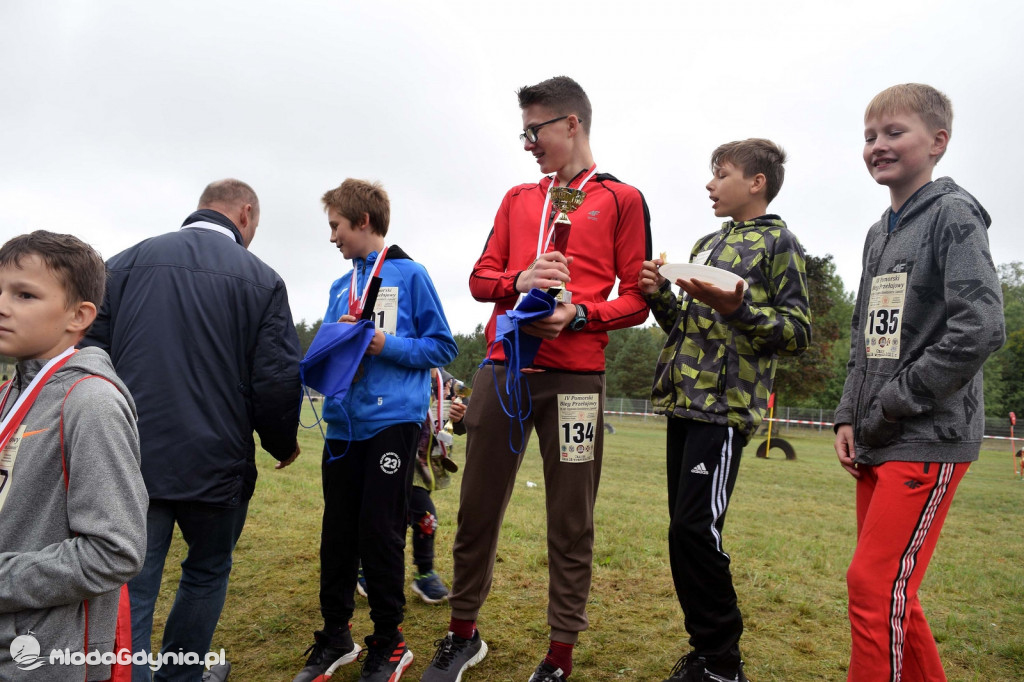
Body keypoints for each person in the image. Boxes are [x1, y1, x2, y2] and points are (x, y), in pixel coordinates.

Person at [420, 75, 651, 682]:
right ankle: (463, 635)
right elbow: (478, 280)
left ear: (571, 124)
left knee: (571, 520)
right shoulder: (519, 197)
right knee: (476, 510)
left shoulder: (623, 199)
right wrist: (519, 280)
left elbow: (636, 301)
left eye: (535, 130)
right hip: (504, 372)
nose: (527, 143)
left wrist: (579, 314)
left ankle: (559, 658)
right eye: (522, 132)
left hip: (577, 383)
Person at [83, 179, 303, 682]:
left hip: (131, 454)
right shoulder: (262, 279)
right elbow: (276, 377)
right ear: (244, 214)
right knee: (205, 573)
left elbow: (90, 355)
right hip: (218, 462)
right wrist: (281, 442)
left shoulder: (123, 263)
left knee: (131, 584)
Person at [833, 83, 1004, 681]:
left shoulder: (954, 215)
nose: (877, 145)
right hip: (877, 434)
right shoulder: (880, 231)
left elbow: (981, 327)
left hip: (927, 434)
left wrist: (895, 402)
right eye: (869, 136)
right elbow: (865, 335)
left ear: (938, 143)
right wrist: (849, 415)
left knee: (872, 586)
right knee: (892, 596)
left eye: (893, 132)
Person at [640, 138, 811, 682]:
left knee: (697, 530)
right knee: (680, 532)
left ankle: (723, 663)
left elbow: (795, 334)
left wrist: (740, 309)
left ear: (756, 182)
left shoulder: (779, 242)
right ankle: (706, 652)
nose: (710, 184)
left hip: (725, 410)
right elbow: (689, 329)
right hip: (683, 406)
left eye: (722, 174)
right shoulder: (706, 244)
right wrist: (659, 297)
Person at [293, 179, 457, 682]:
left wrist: (386, 345)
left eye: (337, 227)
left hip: (392, 423)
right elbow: (327, 351)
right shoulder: (339, 285)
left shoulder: (410, 275)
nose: (332, 238)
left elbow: (442, 347)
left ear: (363, 222)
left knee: (379, 531)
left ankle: (390, 642)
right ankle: (336, 635)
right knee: (337, 533)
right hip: (343, 426)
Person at [0, 231, 148, 682]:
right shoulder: (12, 390)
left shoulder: (91, 403)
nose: (3, 305)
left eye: (24, 294)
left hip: (47, 658)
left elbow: (115, 551)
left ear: (78, 315)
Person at [355, 370, 467, 605]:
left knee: (423, 518)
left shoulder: (445, 381)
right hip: (389, 456)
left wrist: (459, 416)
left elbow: (463, 412)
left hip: (421, 468)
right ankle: (368, 568)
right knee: (388, 516)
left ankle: (423, 573)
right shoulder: (396, 367)